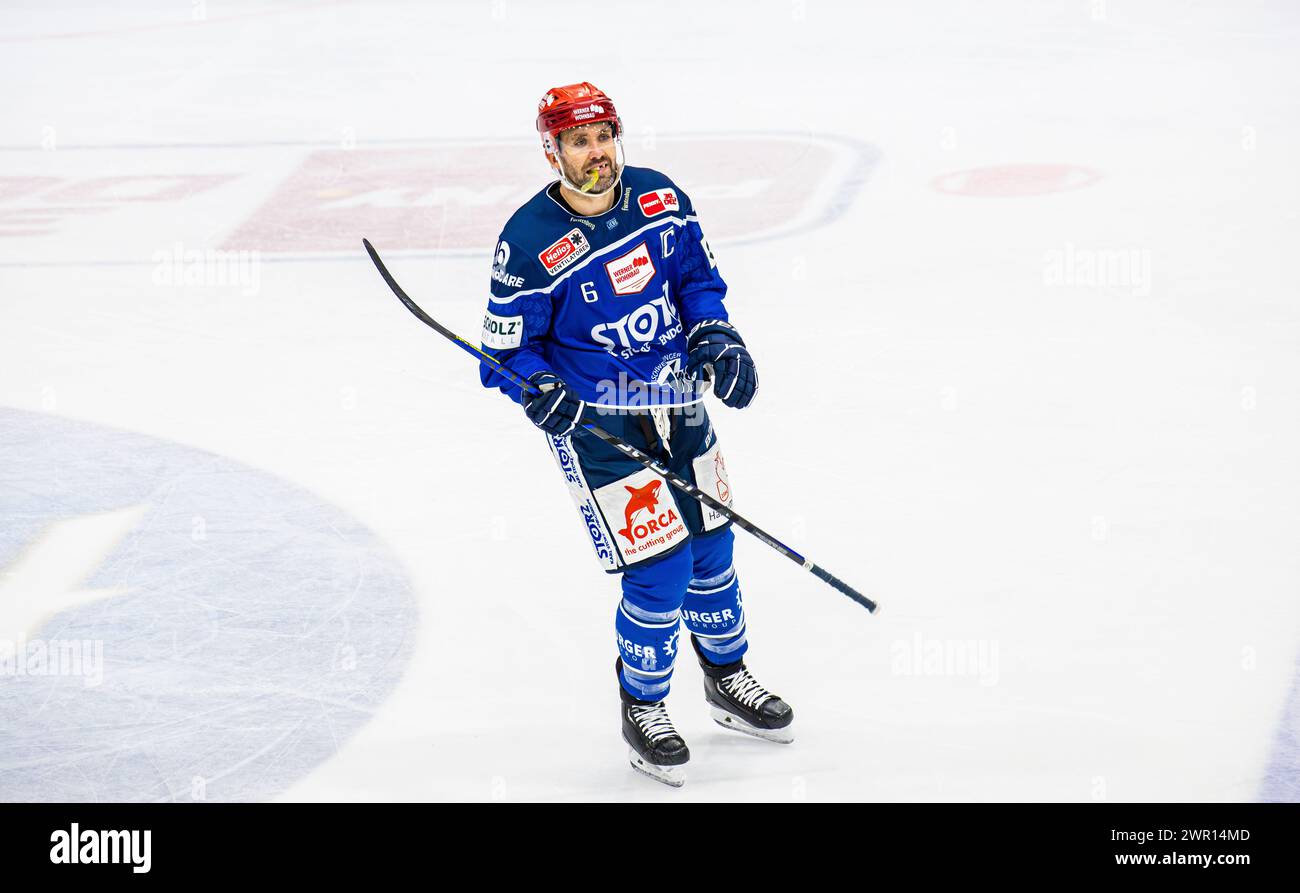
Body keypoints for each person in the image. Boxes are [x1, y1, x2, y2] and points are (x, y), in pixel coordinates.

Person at [478, 82, 792, 787]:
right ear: (552, 150)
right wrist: (539, 389)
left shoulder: (660, 199)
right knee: (660, 568)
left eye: (604, 138)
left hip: (678, 401)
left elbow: (697, 281)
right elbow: (504, 352)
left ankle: (727, 676)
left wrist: (718, 337)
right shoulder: (527, 242)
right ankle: (642, 707)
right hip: (600, 427)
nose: (597, 155)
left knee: (713, 543)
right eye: (579, 142)